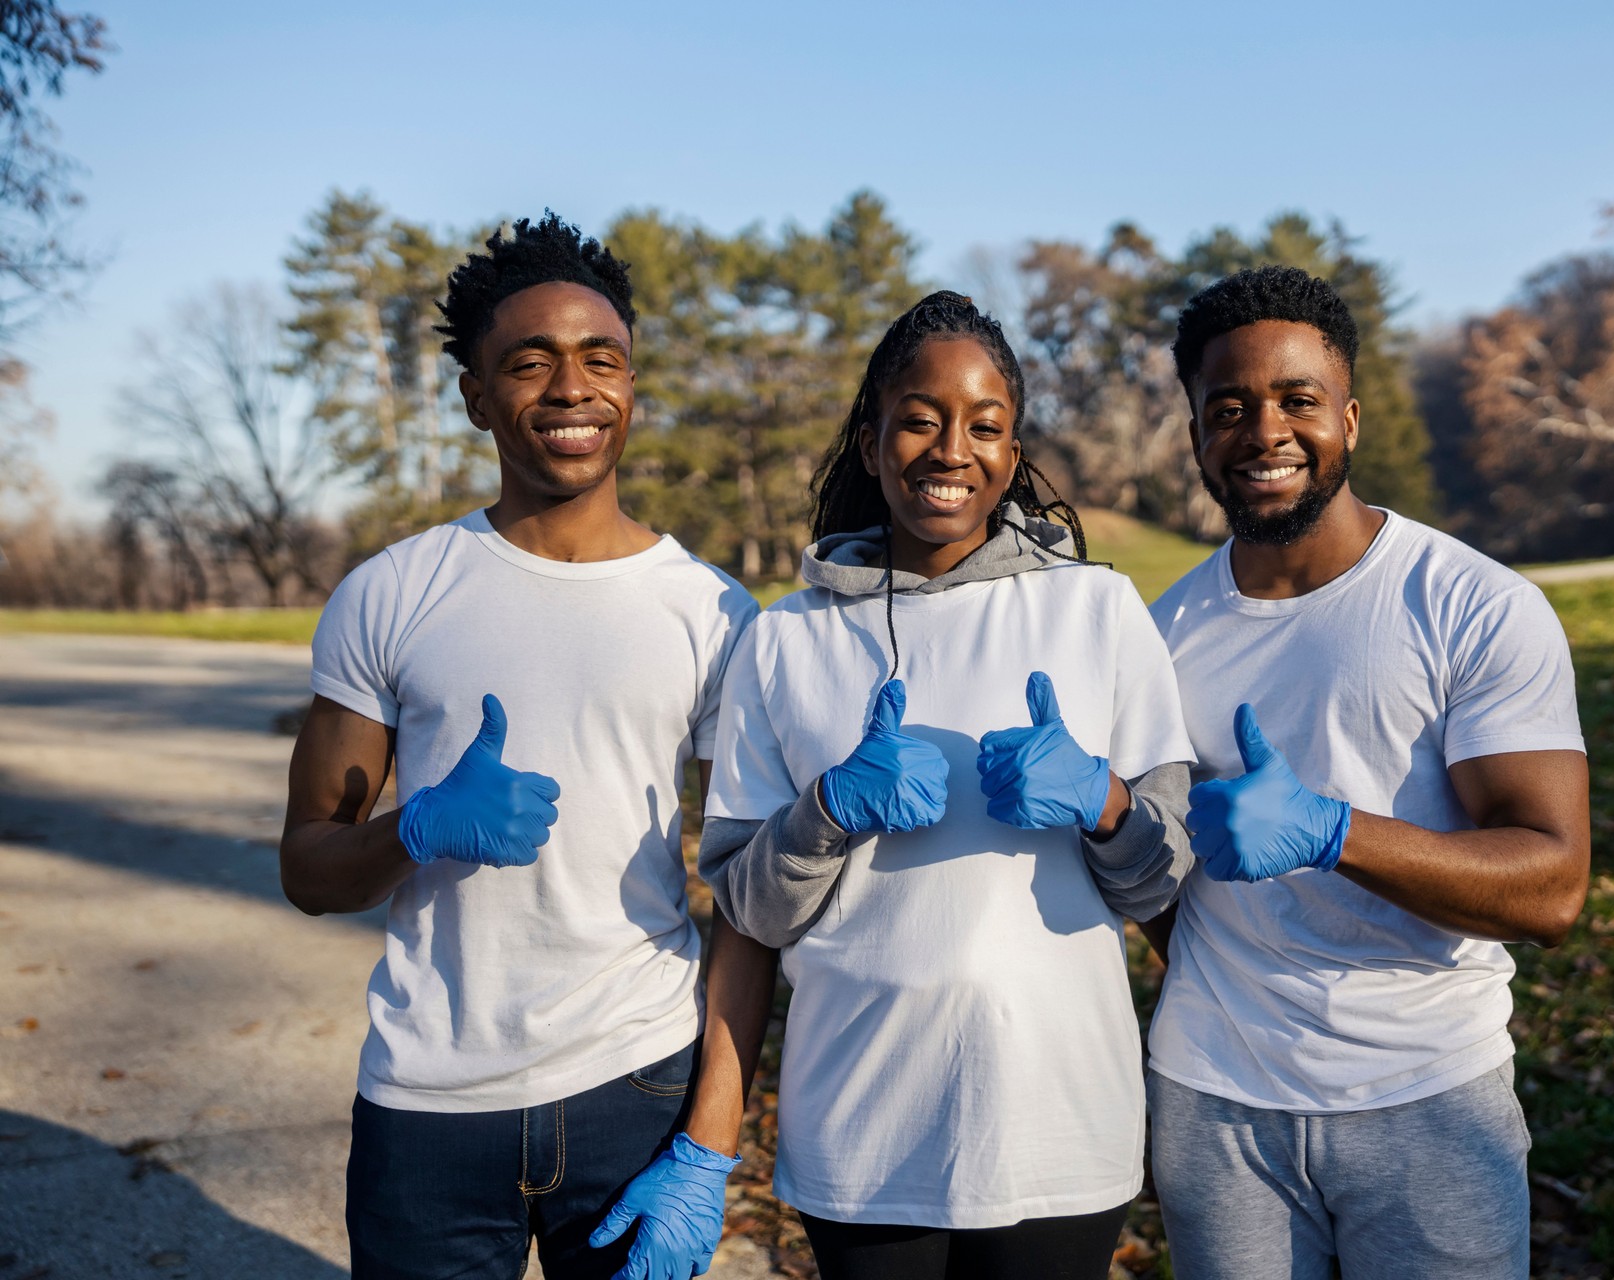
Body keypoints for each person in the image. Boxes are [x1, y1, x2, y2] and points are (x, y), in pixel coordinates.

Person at [280, 213, 776, 1280]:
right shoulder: (392, 593)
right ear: (474, 395)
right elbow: (310, 867)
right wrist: (413, 827)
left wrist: (710, 1144)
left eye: (603, 360)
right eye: (530, 362)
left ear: (633, 385)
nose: (571, 388)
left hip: (635, 1082)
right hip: (428, 1106)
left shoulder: (711, 611)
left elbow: (750, 896)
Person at [698, 291, 1194, 1280]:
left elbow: (1164, 884)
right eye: (920, 418)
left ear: (1013, 453)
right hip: (861, 1130)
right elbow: (747, 904)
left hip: (1061, 1124)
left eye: (985, 424)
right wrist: (825, 811)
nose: (949, 449)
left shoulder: (1098, 612)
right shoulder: (785, 637)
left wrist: (1104, 805)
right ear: (874, 438)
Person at [1143, 266, 1590, 1280]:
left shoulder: (1473, 604)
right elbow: (1162, 880)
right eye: (1231, 408)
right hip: (1217, 1103)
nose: (1266, 431)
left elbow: (1552, 884)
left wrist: (1332, 830)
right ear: (1198, 435)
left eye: (1298, 400)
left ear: (1349, 417)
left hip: (1428, 1094)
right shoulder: (1158, 635)